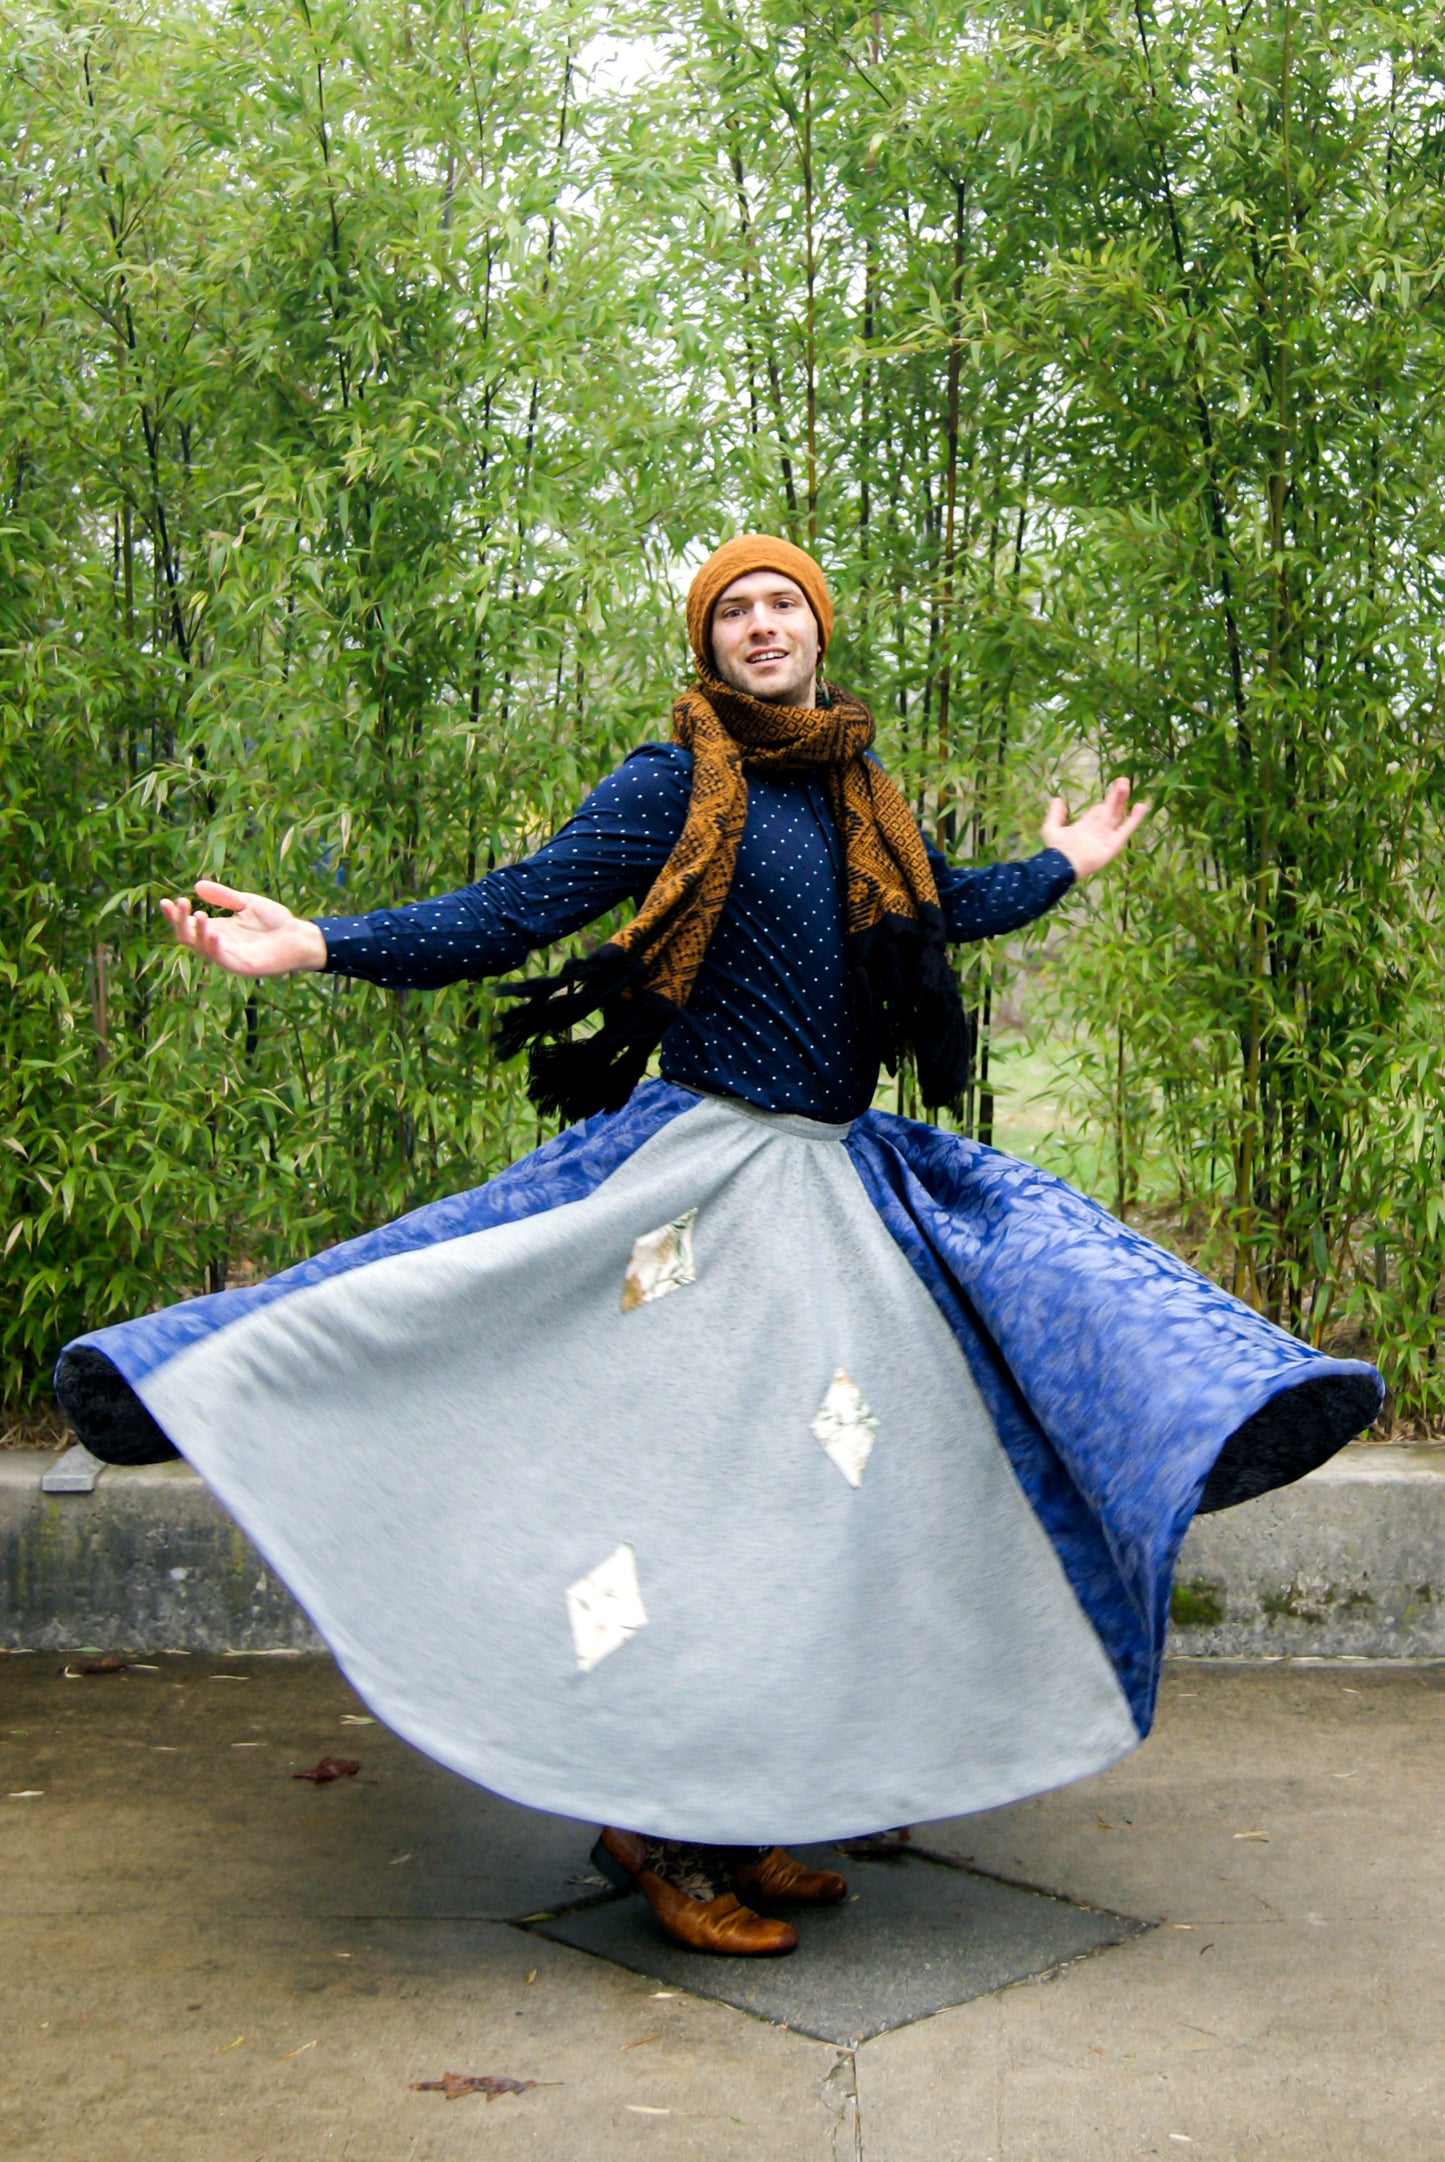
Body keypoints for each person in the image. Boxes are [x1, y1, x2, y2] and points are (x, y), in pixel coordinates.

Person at [56, 535, 1382, 1959]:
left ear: (818, 627)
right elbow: (513, 909)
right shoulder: (676, 781)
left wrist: (1055, 866)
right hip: (699, 1193)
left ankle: (731, 1807)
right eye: (733, 610)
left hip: (830, 1192)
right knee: (707, 1515)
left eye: (782, 605)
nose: (762, 626)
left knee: (815, 1511)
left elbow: (941, 910)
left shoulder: (861, 789)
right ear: (707, 643)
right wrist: (315, 939)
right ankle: (664, 1831)